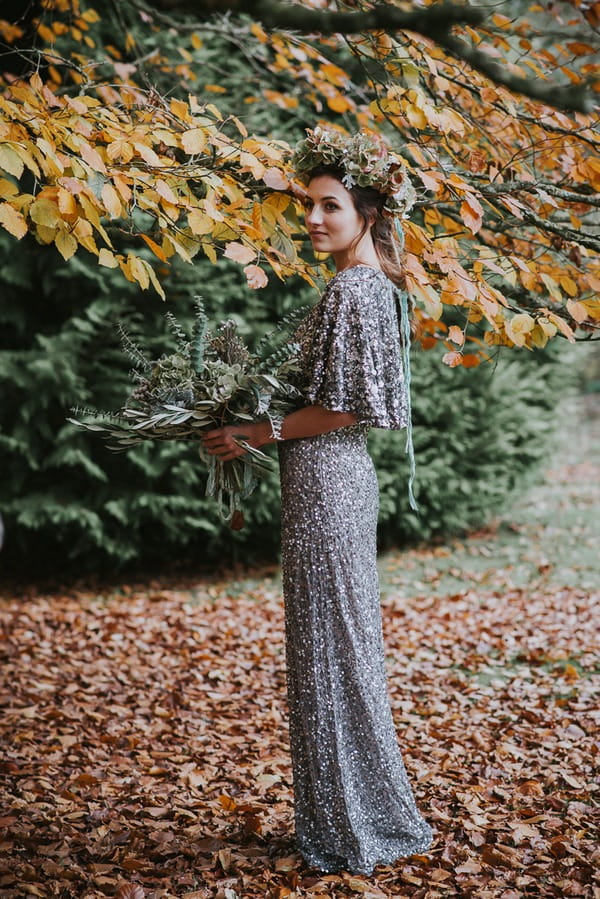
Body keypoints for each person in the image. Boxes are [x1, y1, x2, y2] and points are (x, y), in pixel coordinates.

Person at [201, 128, 434, 874]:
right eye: (309, 206)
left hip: (329, 479)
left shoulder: (354, 289)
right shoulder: (362, 286)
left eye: (329, 206)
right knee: (331, 647)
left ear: (366, 212)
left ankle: (351, 828)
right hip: (327, 481)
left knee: (332, 651)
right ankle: (348, 818)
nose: (312, 218)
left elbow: (343, 409)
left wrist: (252, 431)